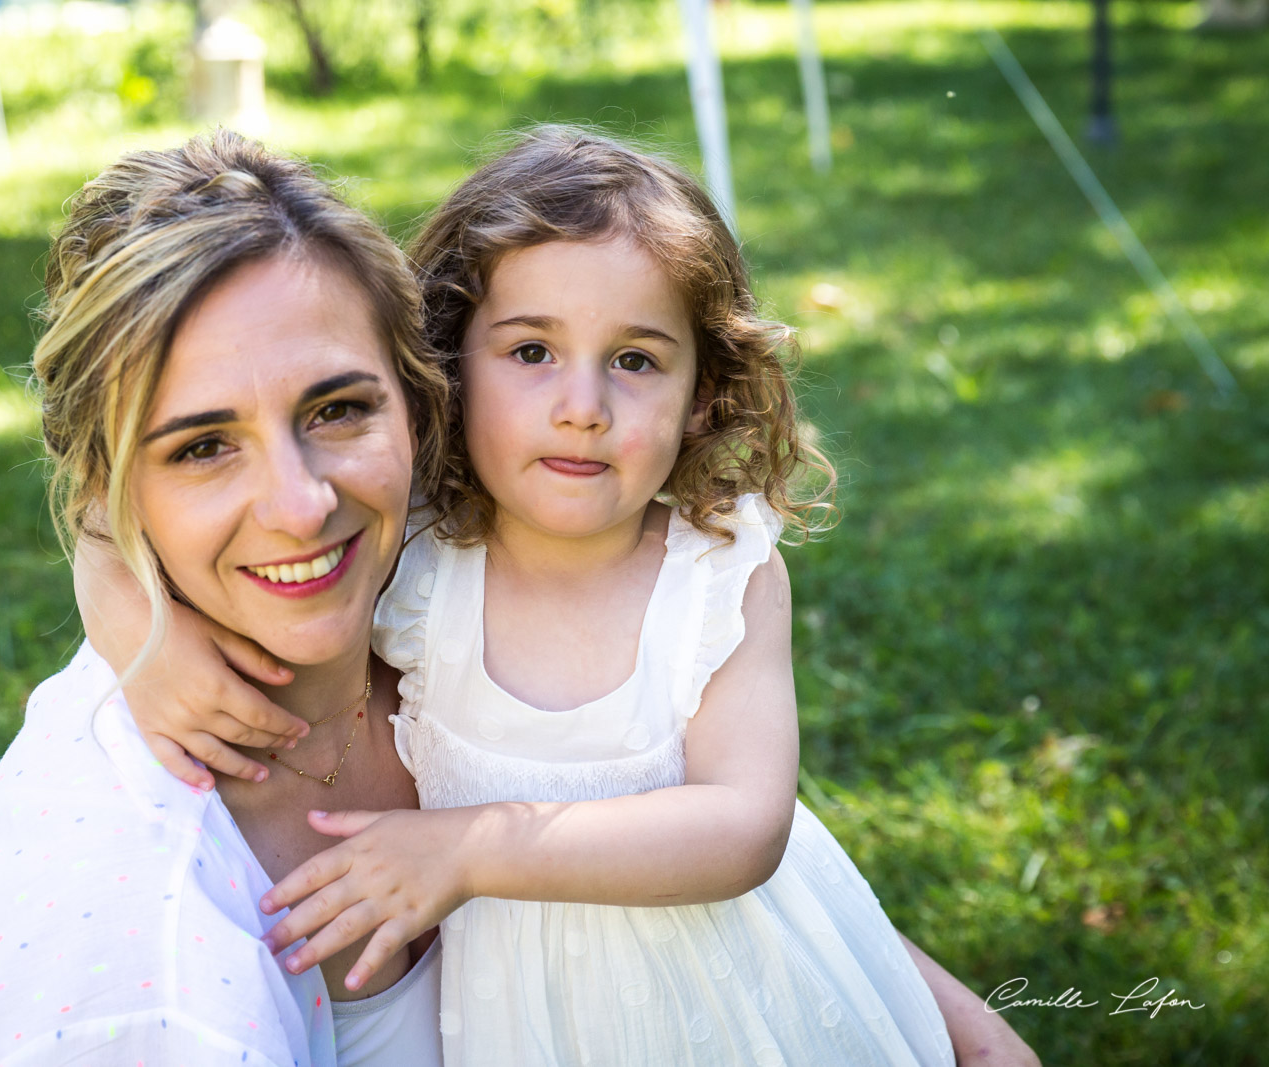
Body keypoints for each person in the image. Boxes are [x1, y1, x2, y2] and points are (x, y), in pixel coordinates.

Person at [77, 129, 1041, 1067]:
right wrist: (137, 636)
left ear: (701, 394)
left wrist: (468, 851)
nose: (583, 404)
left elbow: (746, 827)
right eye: (532, 351)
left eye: (636, 359)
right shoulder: (417, 552)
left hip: (745, 1003)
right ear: (449, 367)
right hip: (533, 1023)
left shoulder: (715, 574)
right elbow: (103, 513)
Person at [0, 130, 455, 1066]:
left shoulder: (467, 591)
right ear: (108, 493)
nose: (302, 503)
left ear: (417, 403)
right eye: (203, 447)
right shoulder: (131, 951)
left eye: (338, 409)